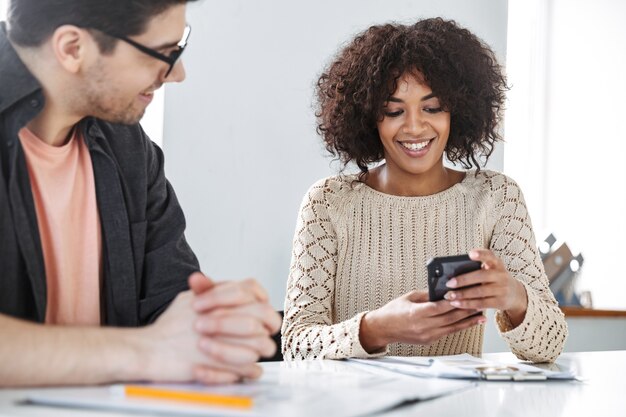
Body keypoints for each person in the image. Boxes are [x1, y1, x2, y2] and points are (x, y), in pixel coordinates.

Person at [0, 0, 281, 387]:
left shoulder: (130, 148)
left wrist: (216, 324)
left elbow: (169, 306)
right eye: (164, 54)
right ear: (72, 49)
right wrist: (144, 351)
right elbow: (157, 346)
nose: (178, 73)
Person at [282, 18, 568, 363]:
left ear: (458, 112)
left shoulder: (496, 197)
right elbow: (296, 345)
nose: (415, 126)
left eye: (432, 108)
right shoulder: (328, 202)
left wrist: (514, 297)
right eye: (393, 111)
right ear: (370, 116)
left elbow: (549, 347)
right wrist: (377, 328)